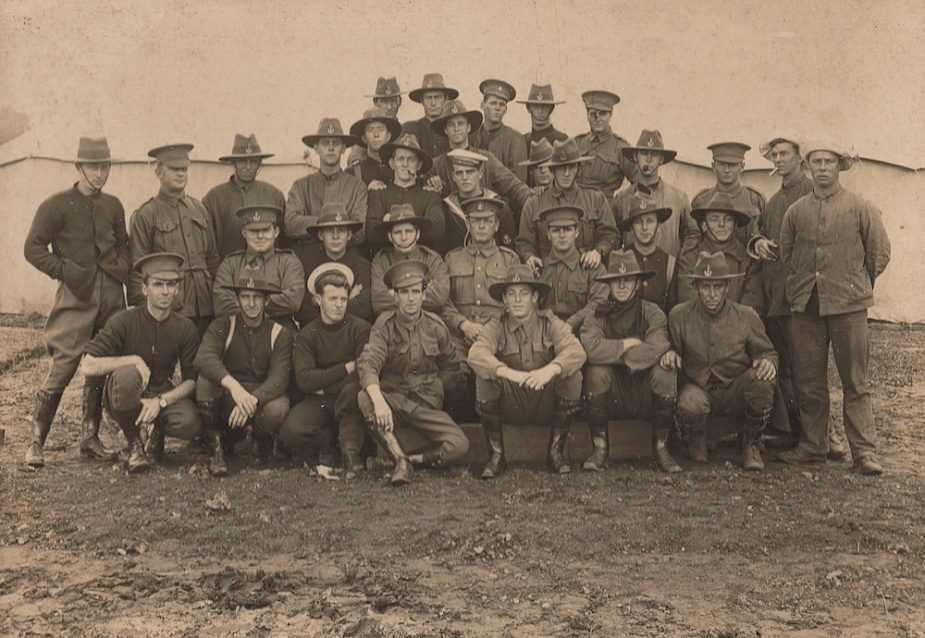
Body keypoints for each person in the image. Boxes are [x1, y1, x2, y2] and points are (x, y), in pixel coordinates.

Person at [777, 142, 891, 476]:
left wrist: (853, 283)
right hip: (806, 309)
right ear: (807, 165)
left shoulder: (860, 207)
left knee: (855, 381)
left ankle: (864, 452)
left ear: (840, 165)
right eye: (816, 161)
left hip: (849, 308)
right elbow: (788, 255)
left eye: (829, 161)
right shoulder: (796, 211)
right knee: (808, 381)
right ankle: (814, 446)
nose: (823, 167)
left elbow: (879, 253)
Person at [22, 136, 130, 467]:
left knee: (100, 363)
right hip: (76, 293)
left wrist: (121, 269)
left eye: (104, 167)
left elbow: (123, 244)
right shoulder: (56, 205)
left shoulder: (113, 205)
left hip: (111, 294)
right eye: (93, 167)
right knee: (64, 365)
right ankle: (35, 443)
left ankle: (89, 439)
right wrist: (63, 271)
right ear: (78, 167)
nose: (99, 174)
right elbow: (33, 248)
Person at [79, 253, 201, 473]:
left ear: (176, 288)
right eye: (158, 284)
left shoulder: (184, 328)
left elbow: (192, 380)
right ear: (145, 289)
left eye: (171, 284)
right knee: (127, 375)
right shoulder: (124, 321)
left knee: (190, 422)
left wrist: (161, 402)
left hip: (159, 393)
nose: (165, 291)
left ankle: (157, 433)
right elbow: (87, 366)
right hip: (124, 394)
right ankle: (134, 443)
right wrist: (133, 360)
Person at [661, 252, 778, 471]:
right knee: (690, 401)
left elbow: (767, 352)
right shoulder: (679, 316)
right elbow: (671, 349)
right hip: (699, 389)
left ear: (727, 286)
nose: (711, 294)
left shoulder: (747, 316)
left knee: (761, 381)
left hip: (735, 390)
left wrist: (768, 362)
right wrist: (670, 353)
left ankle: (750, 443)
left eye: (717, 287)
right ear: (696, 287)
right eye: (705, 287)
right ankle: (697, 437)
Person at [468, 264, 586, 477]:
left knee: (572, 376)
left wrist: (550, 370)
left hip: (545, 401)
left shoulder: (549, 323)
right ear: (504, 299)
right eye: (511, 294)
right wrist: (506, 372)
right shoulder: (496, 326)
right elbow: (476, 354)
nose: (518, 299)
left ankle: (555, 452)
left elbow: (576, 351)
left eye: (524, 293)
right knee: (484, 378)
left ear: (534, 297)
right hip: (511, 403)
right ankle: (497, 455)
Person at [357, 260, 468, 486]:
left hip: (425, 404)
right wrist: (379, 401)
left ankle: (406, 461)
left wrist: (437, 386)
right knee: (364, 397)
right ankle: (401, 462)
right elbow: (369, 361)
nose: (410, 298)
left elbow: (452, 367)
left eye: (415, 292)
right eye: (404, 292)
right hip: (395, 402)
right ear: (395, 296)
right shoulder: (384, 325)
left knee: (459, 445)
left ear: (424, 295)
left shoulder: (436, 326)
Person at [581, 250, 680, 473]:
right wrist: (626, 345)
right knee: (596, 373)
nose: (622, 285)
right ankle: (600, 449)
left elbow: (658, 346)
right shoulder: (597, 315)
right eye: (617, 280)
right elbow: (590, 348)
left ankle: (661, 448)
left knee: (664, 371)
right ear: (609, 285)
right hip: (613, 395)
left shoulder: (652, 312)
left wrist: (614, 355)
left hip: (645, 392)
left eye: (628, 280)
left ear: (637, 284)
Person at [748, 135, 814, 444]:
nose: (778, 159)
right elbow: (761, 234)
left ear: (800, 157)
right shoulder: (772, 202)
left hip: (803, 299)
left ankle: (821, 436)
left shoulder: (814, 194)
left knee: (809, 370)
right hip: (776, 297)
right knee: (785, 366)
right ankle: (794, 432)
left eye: (784, 153)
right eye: (774, 154)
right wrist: (759, 242)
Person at [194, 275, 292, 474]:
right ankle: (217, 448)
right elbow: (203, 357)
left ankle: (260, 442)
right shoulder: (223, 324)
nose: (251, 303)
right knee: (206, 381)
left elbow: (280, 378)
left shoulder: (280, 333)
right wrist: (233, 386)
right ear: (237, 300)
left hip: (260, 399)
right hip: (230, 398)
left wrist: (253, 399)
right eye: (245, 297)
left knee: (278, 406)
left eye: (257, 297)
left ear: (266, 300)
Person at [281, 264, 371, 479]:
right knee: (290, 432)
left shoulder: (361, 329)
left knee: (353, 392)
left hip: (348, 400)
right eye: (332, 299)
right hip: (319, 402)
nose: (339, 305)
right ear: (319, 299)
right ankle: (327, 442)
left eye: (343, 299)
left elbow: (362, 373)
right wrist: (346, 367)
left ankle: (350, 454)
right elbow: (304, 379)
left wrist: (325, 386)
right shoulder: (307, 334)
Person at [129, 143, 220, 336]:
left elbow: (212, 259)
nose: (181, 174)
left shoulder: (199, 209)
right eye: (174, 169)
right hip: (171, 306)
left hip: (205, 304)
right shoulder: (147, 214)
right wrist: (143, 314)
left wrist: (218, 301)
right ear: (159, 172)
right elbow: (137, 268)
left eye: (184, 169)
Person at [516, 138, 619, 271]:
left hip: (586, 274)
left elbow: (611, 235)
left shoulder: (595, 199)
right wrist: (529, 256)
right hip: (548, 276)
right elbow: (524, 243)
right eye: (560, 167)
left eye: (571, 167)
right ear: (552, 170)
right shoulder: (534, 204)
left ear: (579, 169)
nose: (566, 173)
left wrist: (598, 252)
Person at [428, 100, 533, 213]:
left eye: (461, 123)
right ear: (445, 130)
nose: (456, 129)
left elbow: (512, 185)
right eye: (451, 125)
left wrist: (534, 201)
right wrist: (429, 180)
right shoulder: (436, 165)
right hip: (454, 225)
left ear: (468, 127)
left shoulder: (487, 159)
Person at [212, 205, 305, 332]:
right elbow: (221, 304)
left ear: (276, 232)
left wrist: (249, 309)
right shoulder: (230, 264)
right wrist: (258, 313)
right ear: (244, 233)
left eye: (266, 230)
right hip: (239, 334)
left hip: (280, 333)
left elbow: (292, 301)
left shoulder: (288, 262)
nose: (260, 236)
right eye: (253, 231)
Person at [611, 130, 696, 257]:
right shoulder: (622, 199)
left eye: (654, 154)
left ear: (661, 159)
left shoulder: (678, 198)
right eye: (644, 153)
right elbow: (613, 237)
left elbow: (692, 234)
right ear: (635, 157)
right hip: (632, 273)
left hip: (667, 274)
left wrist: (681, 266)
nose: (649, 159)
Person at [285, 119, 368, 247]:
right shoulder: (300, 186)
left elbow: (360, 231)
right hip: (309, 256)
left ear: (343, 149)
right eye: (325, 143)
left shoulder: (357, 187)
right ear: (316, 148)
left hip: (345, 256)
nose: (330, 148)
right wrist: (324, 223)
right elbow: (290, 224)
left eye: (336, 143)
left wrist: (315, 228)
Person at [203, 133, 286, 259]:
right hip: (228, 273)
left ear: (259, 164)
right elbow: (207, 243)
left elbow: (284, 241)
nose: (248, 167)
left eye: (253, 161)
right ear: (234, 163)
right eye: (242, 161)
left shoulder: (274, 195)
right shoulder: (213, 198)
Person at [678, 192, 762, 312]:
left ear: (735, 225)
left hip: (737, 327)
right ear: (704, 226)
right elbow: (687, 300)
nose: (721, 224)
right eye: (714, 219)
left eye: (728, 220)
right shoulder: (690, 258)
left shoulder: (748, 259)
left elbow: (752, 303)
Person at [294, 203, 372, 326]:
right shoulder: (308, 265)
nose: (335, 236)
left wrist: (318, 301)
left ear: (349, 235)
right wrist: (348, 299)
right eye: (330, 231)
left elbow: (363, 308)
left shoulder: (361, 265)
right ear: (320, 235)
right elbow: (302, 311)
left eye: (341, 230)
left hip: (351, 331)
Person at [366, 133, 445, 254]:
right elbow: (372, 232)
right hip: (387, 260)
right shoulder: (379, 193)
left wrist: (389, 222)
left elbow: (437, 229)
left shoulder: (430, 193)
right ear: (392, 163)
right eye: (400, 159)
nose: (405, 164)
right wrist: (418, 223)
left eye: (411, 159)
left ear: (419, 165)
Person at [536, 205, 609, 332]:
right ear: (548, 234)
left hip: (581, 332)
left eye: (567, 229)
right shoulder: (539, 268)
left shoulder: (592, 267)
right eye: (555, 230)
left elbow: (599, 302)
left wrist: (571, 324)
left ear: (577, 232)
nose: (562, 235)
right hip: (544, 333)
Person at [370, 204, 449, 315]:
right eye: (397, 232)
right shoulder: (381, 261)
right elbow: (378, 302)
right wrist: (422, 292)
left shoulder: (432, 259)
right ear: (389, 236)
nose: (404, 238)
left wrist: (393, 293)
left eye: (409, 231)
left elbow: (439, 299)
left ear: (417, 234)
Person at [442, 149, 518, 252]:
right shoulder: (447, 208)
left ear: (480, 173)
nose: (464, 177)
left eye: (469, 172)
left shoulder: (498, 206)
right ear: (453, 177)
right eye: (459, 173)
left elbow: (508, 248)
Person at [690, 142, 766, 245]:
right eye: (721, 164)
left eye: (733, 165)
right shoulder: (701, 200)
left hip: (748, 260)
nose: (726, 170)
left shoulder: (756, 199)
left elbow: (765, 233)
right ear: (713, 166)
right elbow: (695, 237)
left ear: (742, 166)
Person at [617, 191, 678, 314]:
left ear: (658, 225)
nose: (644, 228)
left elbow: (672, 310)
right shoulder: (618, 258)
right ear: (631, 228)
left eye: (650, 221)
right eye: (638, 222)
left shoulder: (669, 263)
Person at [574, 90, 638, 198]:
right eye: (593, 114)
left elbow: (639, 181)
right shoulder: (577, 143)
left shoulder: (621, 148)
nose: (597, 118)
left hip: (605, 210)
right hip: (576, 207)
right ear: (587, 115)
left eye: (602, 113)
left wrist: (622, 202)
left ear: (610, 115)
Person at [470, 79, 528, 181]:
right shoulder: (471, 137)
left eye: (502, 104)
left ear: (506, 109)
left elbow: (519, 180)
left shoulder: (515, 138)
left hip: (502, 196)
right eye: (493, 103)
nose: (497, 108)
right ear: (482, 106)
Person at [346, 76, 405, 169]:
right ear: (375, 102)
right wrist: (355, 161)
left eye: (393, 101)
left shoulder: (404, 132)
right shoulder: (368, 129)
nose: (389, 107)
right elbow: (356, 153)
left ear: (400, 102)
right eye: (384, 102)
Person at [402, 73, 458, 160]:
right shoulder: (411, 129)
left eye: (438, 97)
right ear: (422, 100)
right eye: (429, 98)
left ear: (446, 99)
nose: (433, 103)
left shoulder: (454, 129)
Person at [348, 107, 403, 187]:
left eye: (380, 129)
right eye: (370, 130)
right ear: (364, 138)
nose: (376, 135)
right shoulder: (353, 172)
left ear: (388, 136)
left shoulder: (399, 169)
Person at [518, 83, 568, 148]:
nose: (540, 111)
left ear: (551, 109)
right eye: (535, 106)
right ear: (528, 108)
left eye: (545, 106)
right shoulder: (522, 140)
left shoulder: (560, 139)